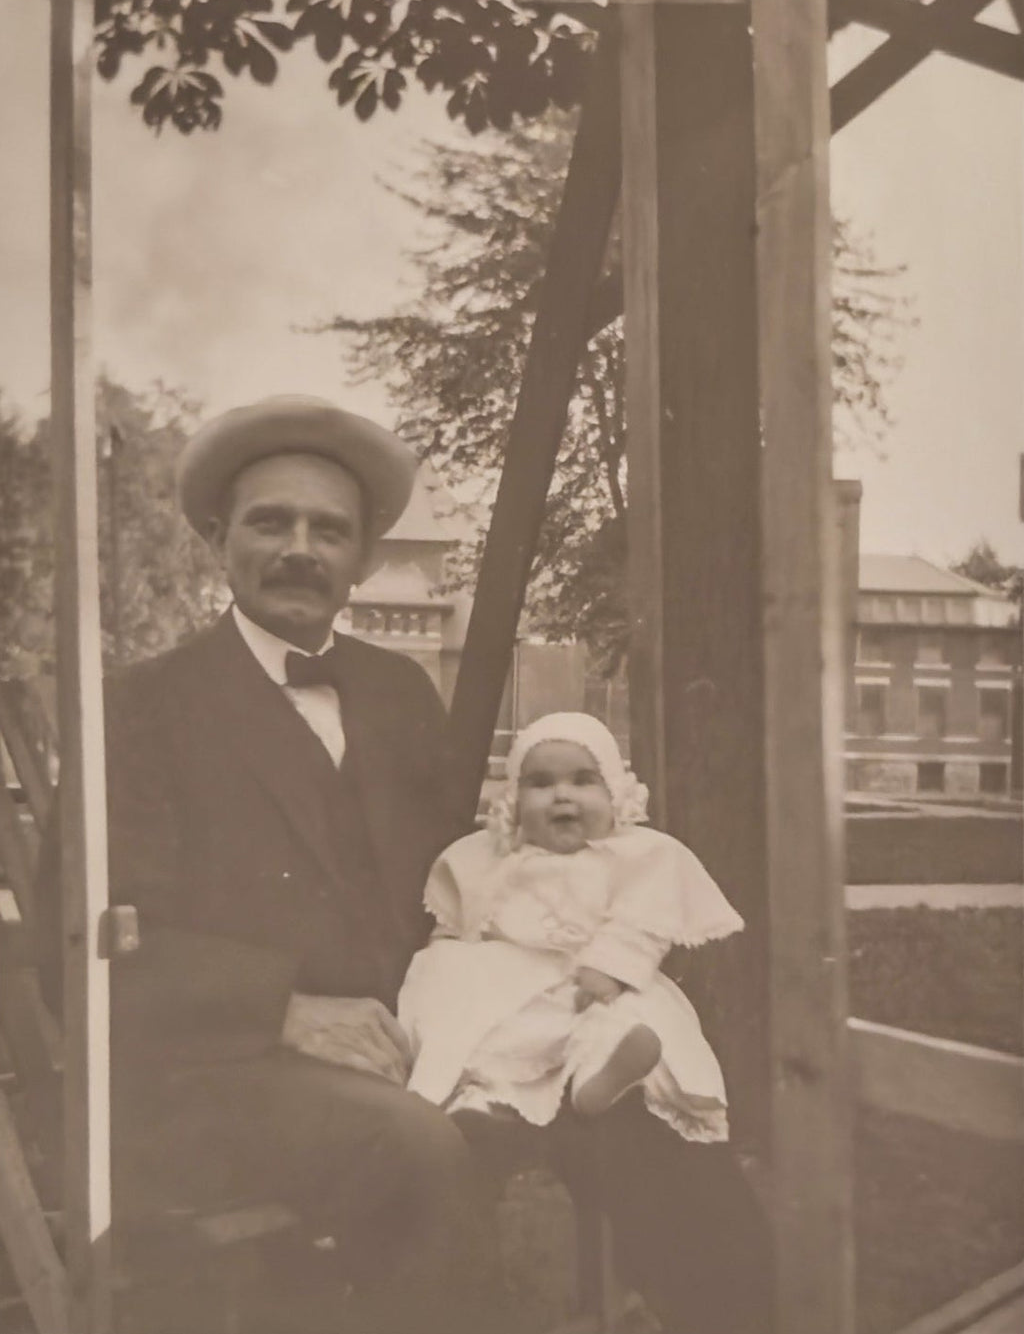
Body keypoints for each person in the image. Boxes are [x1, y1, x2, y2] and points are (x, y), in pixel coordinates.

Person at [36, 395, 495, 1334]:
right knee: (422, 1149)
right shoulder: (143, 707)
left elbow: (454, 883)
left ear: (363, 558)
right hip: (212, 1078)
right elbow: (74, 940)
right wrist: (281, 1009)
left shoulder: (400, 692)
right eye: (270, 522)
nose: (301, 548)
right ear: (218, 541)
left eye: (330, 530)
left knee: (621, 1094)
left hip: (409, 1043)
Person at [400, 712, 774, 1334]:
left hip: (592, 988)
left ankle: (601, 1080)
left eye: (582, 780)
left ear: (616, 796)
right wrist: (455, 948)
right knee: (477, 1026)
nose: (562, 796)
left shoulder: (638, 855)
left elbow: (645, 918)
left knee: (619, 1021)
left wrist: (612, 965)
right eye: (541, 784)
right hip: (512, 985)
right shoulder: (489, 857)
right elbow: (460, 918)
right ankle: (484, 1099)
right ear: (515, 801)